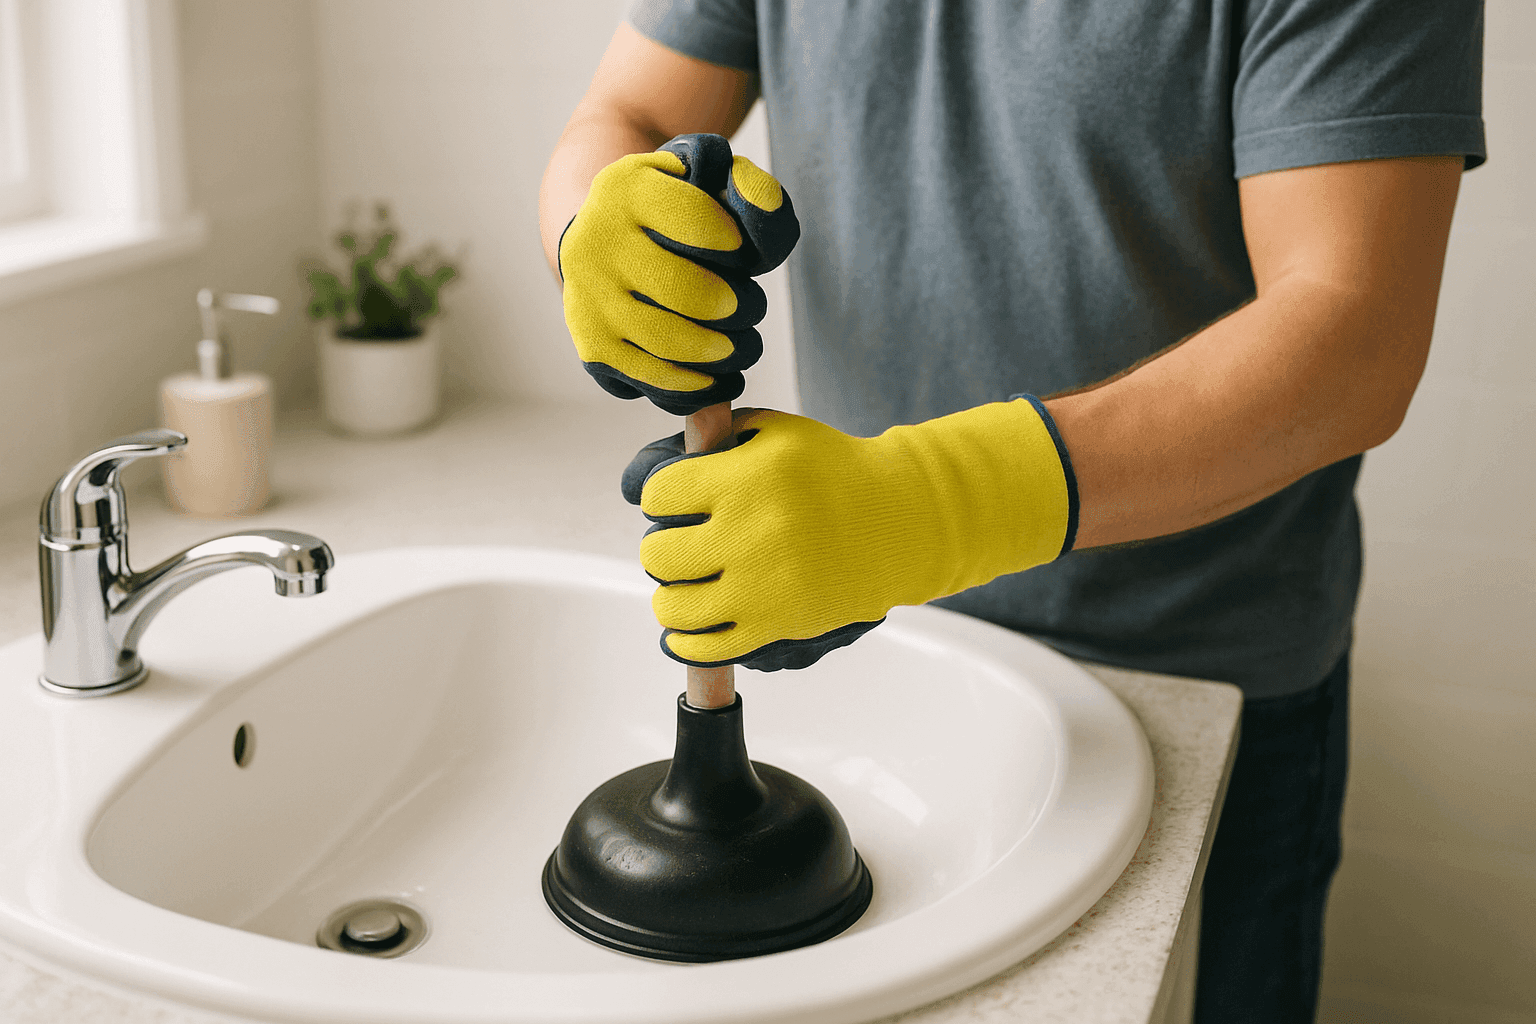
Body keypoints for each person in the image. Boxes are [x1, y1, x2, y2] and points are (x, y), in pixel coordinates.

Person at [538, 1, 1485, 1019]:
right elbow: (628, 110)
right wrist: (597, 229)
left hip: (1194, 683)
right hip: (874, 634)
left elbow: (1356, 335)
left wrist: (938, 505)